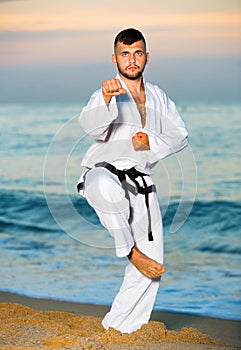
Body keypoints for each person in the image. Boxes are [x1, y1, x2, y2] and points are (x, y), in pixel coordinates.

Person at [77, 28, 188, 333]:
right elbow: (91, 128)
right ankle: (131, 252)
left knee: (153, 268)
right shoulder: (108, 90)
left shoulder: (158, 97)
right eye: (125, 54)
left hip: (140, 182)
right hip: (103, 172)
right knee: (103, 186)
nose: (131, 59)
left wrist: (150, 141)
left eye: (137, 52)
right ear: (114, 58)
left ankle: (119, 329)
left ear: (147, 57)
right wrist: (104, 98)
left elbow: (180, 135)